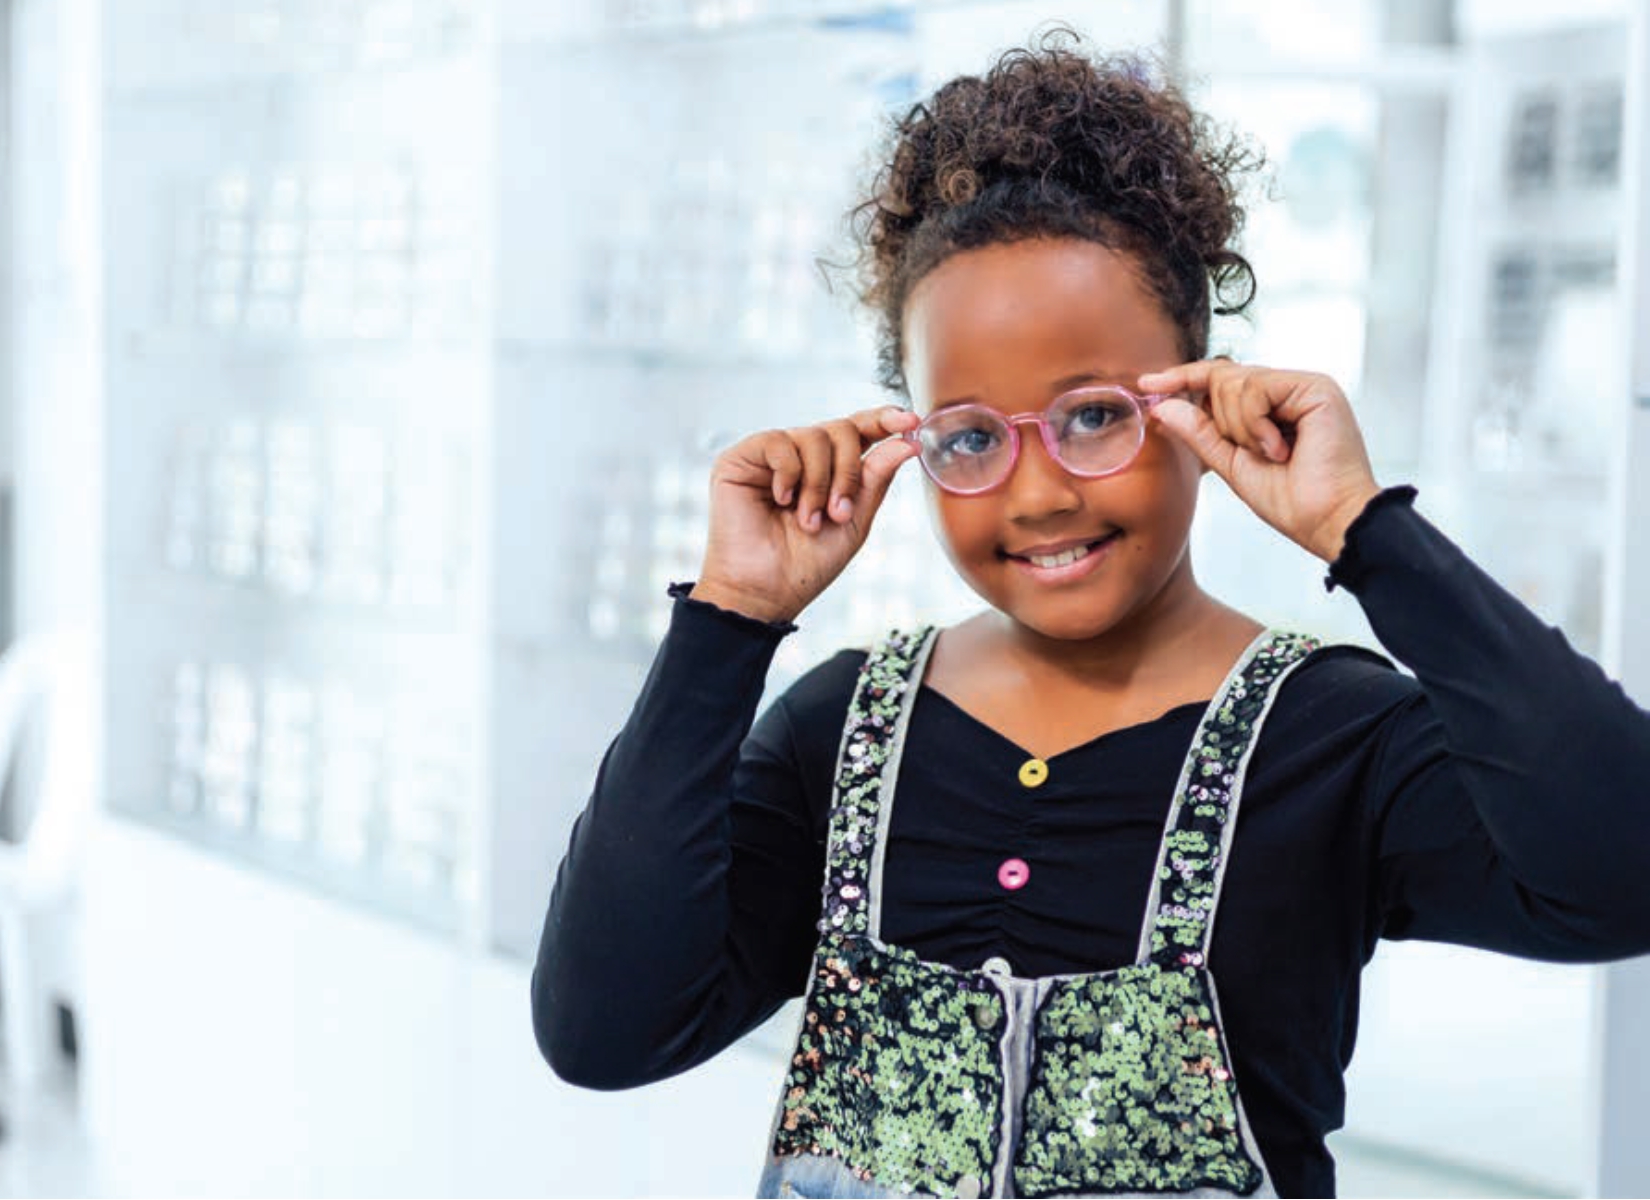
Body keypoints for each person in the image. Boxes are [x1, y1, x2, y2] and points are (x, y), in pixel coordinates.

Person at [530, 29, 1650, 1200]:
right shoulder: (842, 731)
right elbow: (603, 1028)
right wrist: (729, 622)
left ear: (1201, 398)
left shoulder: (1336, 737)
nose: (1039, 490)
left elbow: (1623, 867)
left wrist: (1367, 532)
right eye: (970, 435)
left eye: (1095, 416)